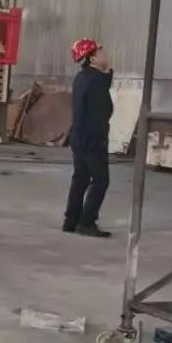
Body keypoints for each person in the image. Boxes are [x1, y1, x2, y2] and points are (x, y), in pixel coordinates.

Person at [64, 37, 114, 238]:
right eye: (100, 52)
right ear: (92, 59)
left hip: (78, 137)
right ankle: (86, 222)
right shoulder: (96, 81)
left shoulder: (82, 77)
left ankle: (71, 220)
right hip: (93, 138)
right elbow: (102, 112)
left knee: (80, 179)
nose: (105, 55)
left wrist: (107, 73)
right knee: (100, 180)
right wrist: (101, 138)